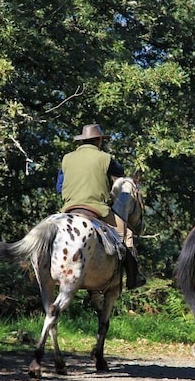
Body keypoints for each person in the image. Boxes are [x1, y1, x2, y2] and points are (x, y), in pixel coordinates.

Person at [60, 123, 142, 288]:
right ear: (98, 141)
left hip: (68, 210)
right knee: (125, 236)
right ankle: (133, 278)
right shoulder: (105, 158)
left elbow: (58, 186)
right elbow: (120, 172)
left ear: (83, 141)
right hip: (97, 209)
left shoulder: (66, 159)